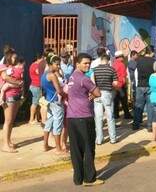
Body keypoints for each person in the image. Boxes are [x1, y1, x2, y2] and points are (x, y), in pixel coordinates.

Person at [67, 53, 104, 186]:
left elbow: (67, 93)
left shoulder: (71, 77)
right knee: (88, 148)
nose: (87, 65)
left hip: (71, 117)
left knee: (76, 150)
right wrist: (91, 96)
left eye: (89, 63)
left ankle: (78, 178)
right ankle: (89, 178)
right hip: (84, 116)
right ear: (77, 64)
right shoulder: (84, 78)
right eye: (85, 63)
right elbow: (98, 93)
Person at [41, 54, 66, 154]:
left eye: (59, 64)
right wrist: (66, 95)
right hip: (56, 101)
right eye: (57, 64)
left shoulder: (44, 75)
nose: (59, 66)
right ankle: (58, 149)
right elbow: (59, 91)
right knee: (58, 124)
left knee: (49, 123)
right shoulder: (52, 75)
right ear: (51, 64)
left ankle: (45, 145)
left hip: (49, 101)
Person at [93, 53, 118, 144]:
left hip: (97, 93)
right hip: (107, 93)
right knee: (110, 116)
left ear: (101, 60)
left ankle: (99, 139)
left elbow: (92, 82)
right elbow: (115, 83)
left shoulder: (94, 70)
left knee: (98, 117)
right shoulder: (112, 70)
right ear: (108, 60)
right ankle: (113, 138)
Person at [1, 50, 23, 153]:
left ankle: (8, 141)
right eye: (14, 57)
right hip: (9, 96)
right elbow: (5, 77)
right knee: (8, 121)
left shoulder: (13, 68)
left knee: (11, 121)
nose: (16, 59)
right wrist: (17, 82)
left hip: (16, 95)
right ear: (9, 57)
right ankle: (5, 145)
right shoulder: (3, 66)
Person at [132, 46, 155, 131]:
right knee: (150, 106)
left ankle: (135, 125)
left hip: (140, 86)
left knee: (138, 106)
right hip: (150, 86)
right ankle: (149, 126)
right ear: (151, 52)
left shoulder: (138, 61)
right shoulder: (154, 61)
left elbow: (135, 73)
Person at [112, 50, 132, 119]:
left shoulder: (113, 64)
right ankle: (127, 115)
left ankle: (116, 115)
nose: (123, 58)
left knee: (115, 101)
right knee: (124, 101)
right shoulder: (121, 64)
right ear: (120, 57)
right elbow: (124, 76)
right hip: (121, 85)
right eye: (123, 56)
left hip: (114, 85)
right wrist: (125, 84)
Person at [28, 54, 43, 124]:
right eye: (43, 59)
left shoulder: (35, 65)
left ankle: (37, 119)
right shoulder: (35, 65)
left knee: (38, 103)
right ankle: (31, 119)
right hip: (36, 86)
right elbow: (39, 72)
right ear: (39, 59)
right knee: (35, 103)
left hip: (37, 86)